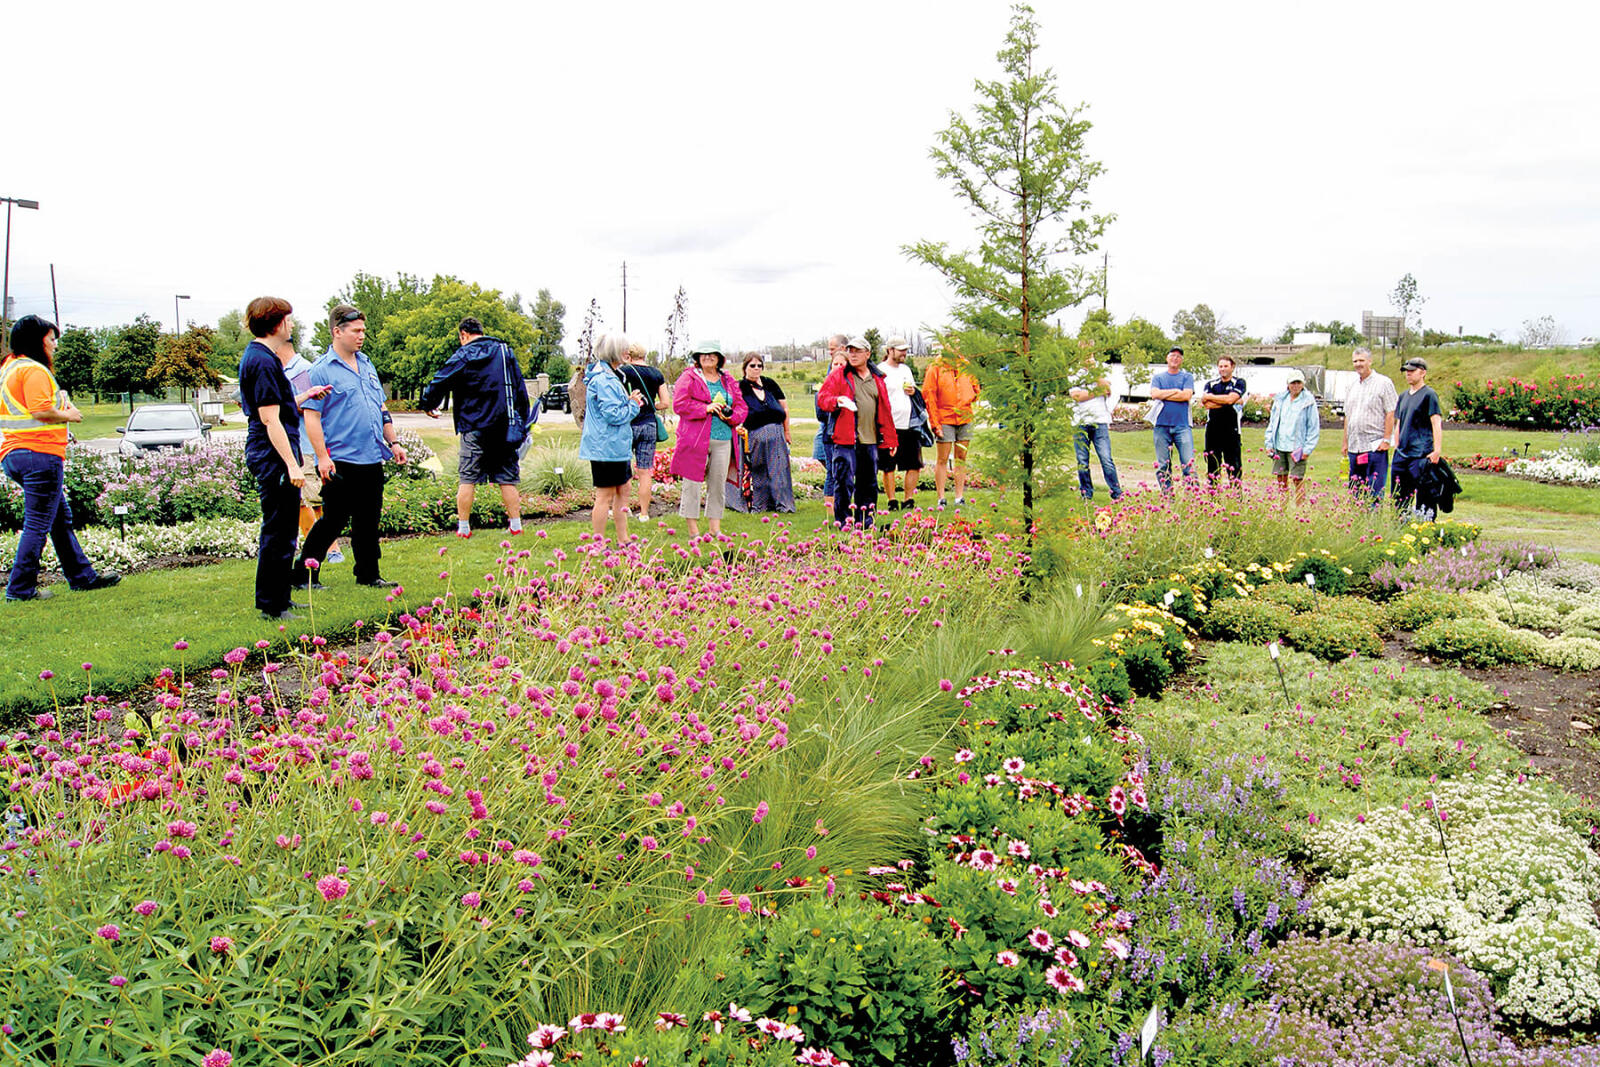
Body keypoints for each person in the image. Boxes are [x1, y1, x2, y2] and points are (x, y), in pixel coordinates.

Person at [0, 315, 120, 602]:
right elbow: (41, 411)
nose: (55, 345)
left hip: (14, 454)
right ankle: (20, 589)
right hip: (39, 454)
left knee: (57, 517)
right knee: (38, 523)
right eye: (52, 339)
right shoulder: (35, 370)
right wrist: (71, 415)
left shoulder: (9, 367)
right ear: (39, 340)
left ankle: (82, 577)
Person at [293, 305, 408, 590]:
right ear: (337, 331)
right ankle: (304, 576)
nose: (361, 336)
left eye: (363, 331)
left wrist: (393, 442)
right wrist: (322, 457)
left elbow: (380, 407)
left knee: (368, 521)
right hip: (340, 460)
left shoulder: (367, 364)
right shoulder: (320, 370)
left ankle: (368, 574)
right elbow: (312, 416)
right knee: (333, 521)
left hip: (371, 456)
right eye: (356, 331)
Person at [236, 300, 330, 619]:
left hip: (274, 454)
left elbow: (280, 402)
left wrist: (306, 394)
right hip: (272, 457)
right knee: (277, 531)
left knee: (286, 530)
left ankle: (281, 597)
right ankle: (271, 605)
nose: (291, 325)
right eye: (288, 320)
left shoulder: (264, 357)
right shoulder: (261, 361)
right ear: (276, 324)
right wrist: (291, 464)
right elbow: (269, 419)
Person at [419, 316, 531, 538]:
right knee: (507, 478)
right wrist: (523, 421)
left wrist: (428, 404)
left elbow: (440, 380)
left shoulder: (463, 354)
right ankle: (516, 526)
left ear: (464, 335)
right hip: (504, 426)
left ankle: (463, 529)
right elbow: (519, 388)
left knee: (467, 478)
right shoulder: (504, 352)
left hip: (473, 426)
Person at [817, 336, 898, 529]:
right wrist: (837, 401)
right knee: (844, 483)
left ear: (867, 354)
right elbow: (823, 398)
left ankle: (866, 522)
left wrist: (891, 439)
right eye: (850, 351)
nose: (852, 355)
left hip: (869, 440)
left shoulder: (877, 378)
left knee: (868, 484)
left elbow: (885, 410)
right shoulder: (840, 375)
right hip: (845, 440)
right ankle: (843, 522)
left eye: (857, 351)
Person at [671, 340, 747, 539]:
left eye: (712, 354)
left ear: (719, 358)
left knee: (717, 485)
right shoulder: (689, 377)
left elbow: (741, 407)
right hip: (695, 441)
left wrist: (732, 416)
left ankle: (715, 529)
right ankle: (694, 531)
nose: (707, 357)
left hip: (723, 440)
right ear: (697, 357)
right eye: (703, 354)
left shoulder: (728, 380)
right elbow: (679, 404)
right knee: (692, 485)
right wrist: (705, 408)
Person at [578, 334, 645, 541]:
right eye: (624, 349)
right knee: (605, 495)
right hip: (606, 448)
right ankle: (598, 542)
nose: (628, 353)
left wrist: (628, 401)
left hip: (615, 447)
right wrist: (633, 404)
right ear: (612, 351)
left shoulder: (611, 375)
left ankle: (623, 539)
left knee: (624, 490)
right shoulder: (604, 380)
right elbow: (613, 415)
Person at [282, 340, 344, 563]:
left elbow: (315, 405)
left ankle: (330, 551)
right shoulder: (284, 370)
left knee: (311, 501)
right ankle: (322, 551)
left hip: (306, 446)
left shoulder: (301, 370)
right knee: (303, 501)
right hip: (295, 447)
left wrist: (277, 405)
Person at [728, 353, 795, 513]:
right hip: (754, 435)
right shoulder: (739, 387)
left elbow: (784, 408)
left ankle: (784, 505)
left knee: (779, 470)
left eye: (759, 365)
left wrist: (787, 431)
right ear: (745, 368)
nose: (756, 368)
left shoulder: (770, 384)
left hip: (776, 433)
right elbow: (734, 410)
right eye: (752, 365)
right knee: (759, 471)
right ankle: (761, 505)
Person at [618, 340, 670, 521]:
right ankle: (645, 514)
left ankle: (623, 509)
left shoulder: (623, 372)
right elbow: (665, 402)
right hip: (649, 424)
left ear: (629, 356)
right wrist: (650, 405)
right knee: (644, 470)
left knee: (623, 469)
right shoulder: (656, 373)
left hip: (628, 424)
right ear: (644, 355)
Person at [923, 345, 979, 508]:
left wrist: (968, 400)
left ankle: (959, 496)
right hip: (945, 418)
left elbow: (976, 387)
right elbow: (929, 395)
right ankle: (941, 497)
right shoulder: (935, 367)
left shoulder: (966, 366)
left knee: (961, 458)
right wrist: (935, 423)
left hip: (964, 417)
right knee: (942, 458)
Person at [1342, 346, 1398, 507]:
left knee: (1374, 490)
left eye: (1361, 360)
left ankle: (1373, 525)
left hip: (1374, 446)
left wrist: (1387, 439)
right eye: (1355, 361)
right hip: (1355, 446)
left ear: (1370, 361)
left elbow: (1390, 412)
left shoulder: (1383, 383)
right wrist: (1345, 442)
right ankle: (1356, 522)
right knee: (1355, 490)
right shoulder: (1351, 386)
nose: (1358, 364)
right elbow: (1348, 415)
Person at [1392, 356, 1444, 519]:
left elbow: (1436, 422)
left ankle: (1425, 526)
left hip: (1421, 454)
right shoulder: (1403, 396)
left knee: (1425, 497)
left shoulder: (1429, 395)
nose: (1408, 374)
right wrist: (1396, 444)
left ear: (1422, 373)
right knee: (1399, 495)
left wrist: (1437, 450)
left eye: (1412, 371)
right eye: (1406, 371)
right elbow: (1399, 422)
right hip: (1402, 454)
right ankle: (1400, 524)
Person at [876, 338, 922, 510]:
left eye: (905, 350)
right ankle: (892, 500)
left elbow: (913, 390)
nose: (904, 353)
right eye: (901, 350)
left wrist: (913, 391)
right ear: (890, 350)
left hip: (909, 423)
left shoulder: (906, 370)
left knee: (914, 464)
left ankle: (908, 499)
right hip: (889, 424)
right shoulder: (881, 370)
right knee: (889, 465)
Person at [1262, 369, 1320, 504]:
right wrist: (1269, 443)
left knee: (1297, 479)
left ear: (1303, 384)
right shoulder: (1280, 400)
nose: (1295, 386)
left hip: (1297, 447)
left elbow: (1313, 427)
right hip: (1280, 445)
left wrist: (1307, 449)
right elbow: (1273, 423)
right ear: (1287, 384)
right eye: (1292, 383)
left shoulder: (1308, 402)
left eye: (1298, 383)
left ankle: (1299, 511)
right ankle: (1282, 508)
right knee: (1281, 479)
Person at [1149, 347, 1196, 495]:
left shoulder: (1187, 377)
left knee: (1188, 464)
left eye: (1178, 356)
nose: (1175, 358)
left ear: (1181, 360)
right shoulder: (1158, 377)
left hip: (1182, 426)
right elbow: (1154, 394)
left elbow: (1186, 396)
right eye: (1172, 355)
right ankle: (1167, 497)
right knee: (1163, 465)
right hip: (1161, 426)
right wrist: (1176, 391)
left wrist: (1165, 394)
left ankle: (1193, 498)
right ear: (1167, 358)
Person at [1069, 372, 1121, 501]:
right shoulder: (1073, 371)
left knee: (1106, 459)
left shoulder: (1101, 368)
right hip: (1080, 422)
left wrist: (1094, 371)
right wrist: (1098, 392)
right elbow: (1077, 396)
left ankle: (1117, 493)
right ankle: (1086, 493)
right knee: (1082, 460)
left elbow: (1108, 390)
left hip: (1100, 421)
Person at [1200, 355, 1247, 486]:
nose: (1223, 369)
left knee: (1234, 466)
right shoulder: (1211, 384)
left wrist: (1213, 397)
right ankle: (1213, 499)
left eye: (1226, 366)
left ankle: (1236, 499)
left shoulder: (1239, 383)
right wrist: (1227, 400)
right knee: (1212, 466)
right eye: (1220, 366)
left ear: (1232, 367)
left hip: (1232, 430)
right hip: (1213, 431)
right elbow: (1207, 404)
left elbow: (1231, 399)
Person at [812, 344, 847, 512]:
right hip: (830, 435)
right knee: (832, 473)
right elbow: (820, 414)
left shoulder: (851, 386)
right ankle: (831, 511)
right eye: (836, 364)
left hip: (848, 435)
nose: (839, 367)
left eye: (842, 364)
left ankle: (846, 506)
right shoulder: (823, 388)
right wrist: (836, 406)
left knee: (846, 472)